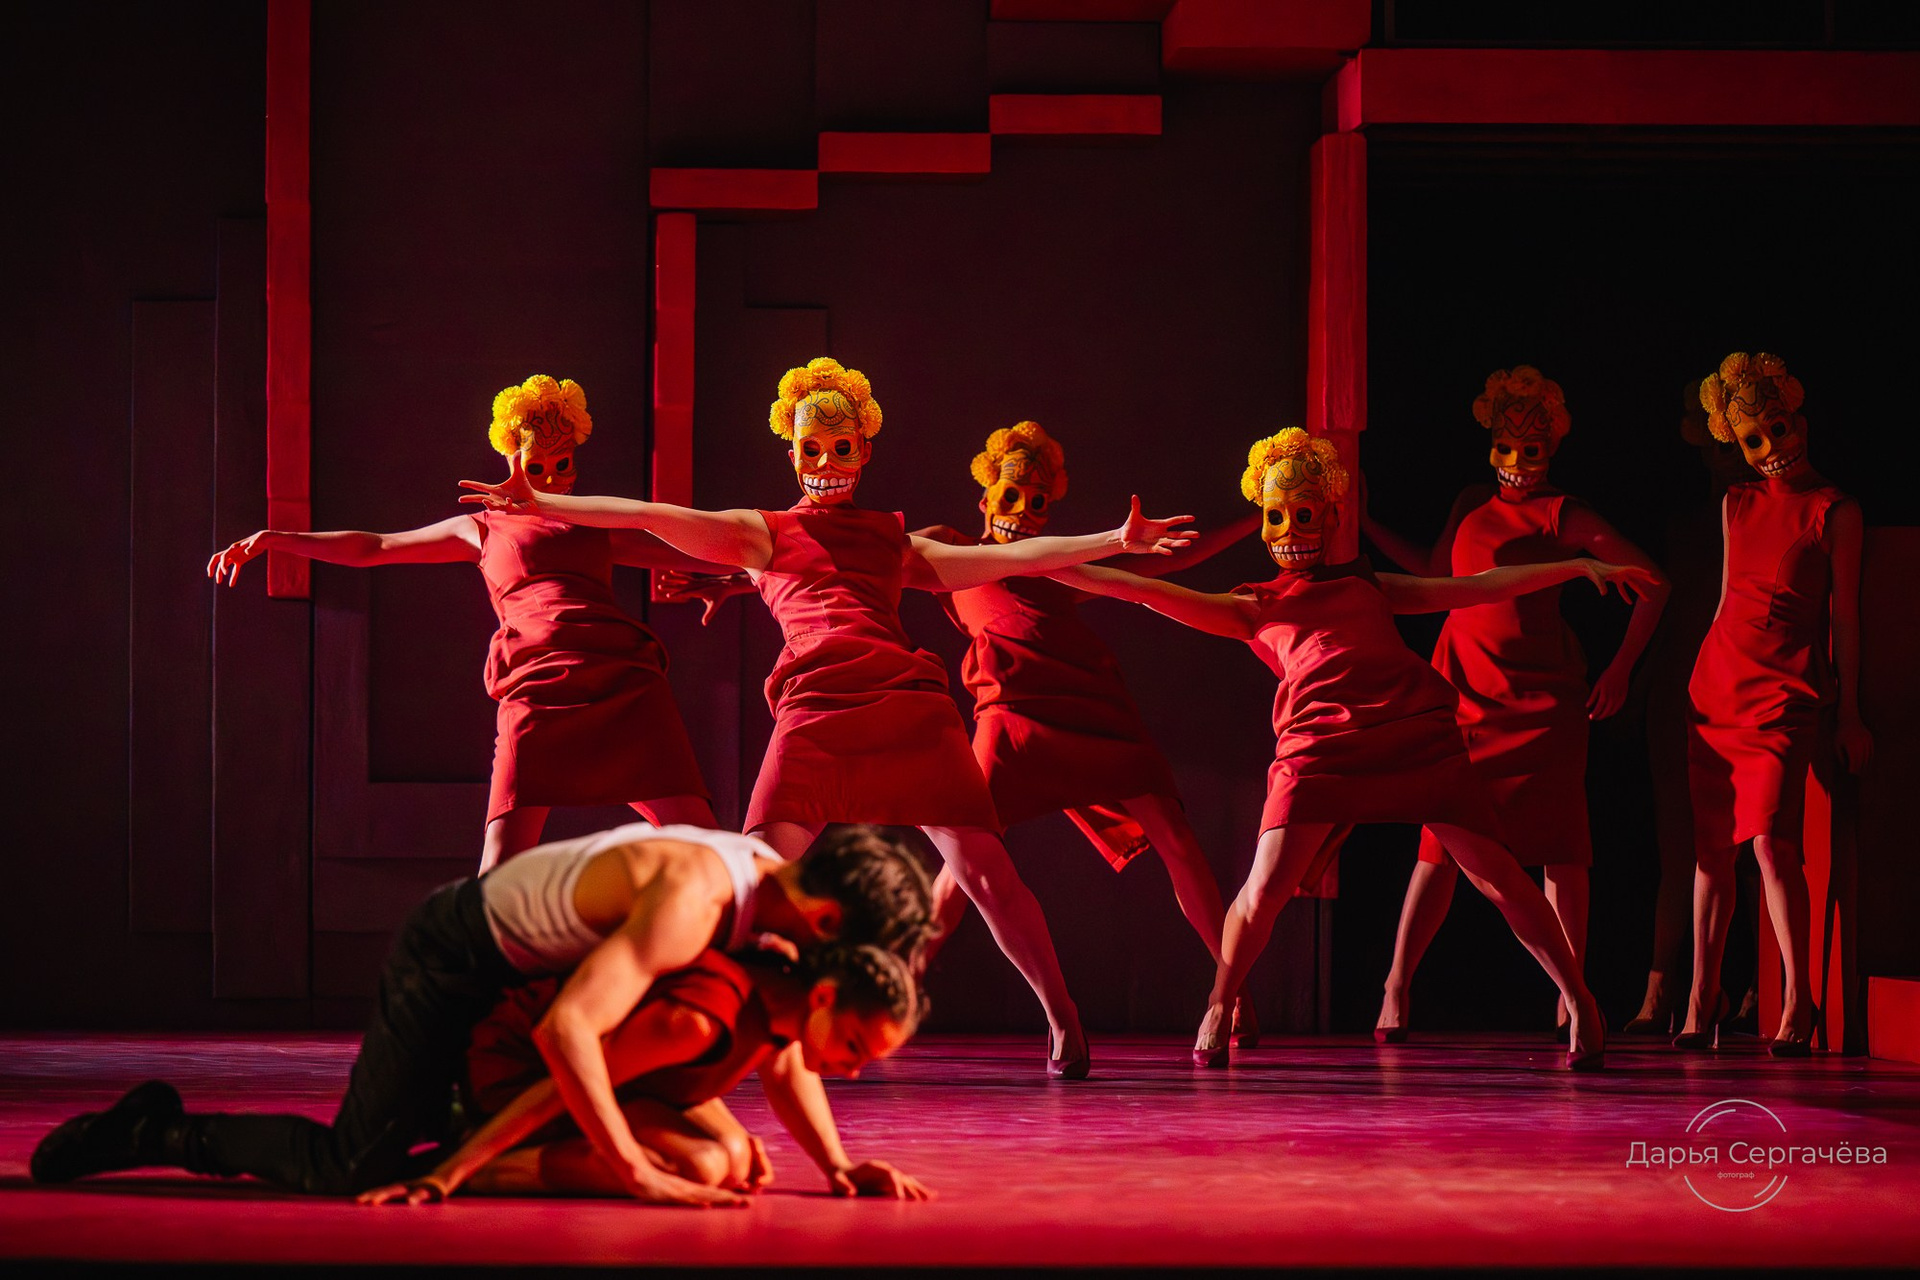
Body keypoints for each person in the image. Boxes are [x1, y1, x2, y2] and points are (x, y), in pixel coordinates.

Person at [457, 357, 1197, 1080]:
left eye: (842, 448)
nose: (827, 463)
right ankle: (707, 1025)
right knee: (751, 880)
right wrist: (543, 504)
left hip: (906, 709)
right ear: (791, 451)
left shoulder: (891, 540)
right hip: (815, 712)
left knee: (985, 872)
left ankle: (1064, 1020)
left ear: (865, 450)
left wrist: (1114, 539)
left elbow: (1018, 559)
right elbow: (654, 517)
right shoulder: (762, 533)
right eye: (812, 448)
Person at [1052, 428, 1659, 1070]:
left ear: (1331, 515)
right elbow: (1138, 589)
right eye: (1277, 515)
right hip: (1320, 751)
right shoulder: (1253, 605)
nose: (1291, 530)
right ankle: (1220, 1000)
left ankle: (1579, 999)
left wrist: (1577, 565)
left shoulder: (1370, 585)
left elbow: (1481, 585)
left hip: (1414, 739)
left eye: (1305, 513)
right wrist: (1025, 559)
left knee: (1499, 876)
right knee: (1264, 888)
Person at [30, 823, 933, 1200]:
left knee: (720, 1155)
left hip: (519, 985)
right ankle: (158, 1132)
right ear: (826, 923)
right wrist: (634, 1172)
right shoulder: (698, 899)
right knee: (351, 1167)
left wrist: (838, 1166)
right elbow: (568, 1032)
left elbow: (780, 1045)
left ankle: (468, 1143)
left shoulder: (766, 899)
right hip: (458, 958)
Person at [207, 375, 726, 870]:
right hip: (539, 684)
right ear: (511, 458)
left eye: (562, 464)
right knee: (501, 862)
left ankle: (749, 925)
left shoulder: (594, 522)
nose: (550, 479)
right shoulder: (482, 528)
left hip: (621, 682)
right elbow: (377, 546)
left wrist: (740, 579)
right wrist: (279, 539)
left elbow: (698, 551)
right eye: (535, 466)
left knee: (707, 846)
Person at [1363, 368, 1668, 1040]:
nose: (1517, 462)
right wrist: (1364, 524)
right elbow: (1434, 576)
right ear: (1490, 443)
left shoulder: (1565, 513)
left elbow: (1653, 582)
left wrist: (1621, 669)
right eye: (1506, 446)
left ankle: (1571, 996)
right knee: (1439, 843)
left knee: (1562, 845)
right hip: (1465, 690)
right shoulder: (1473, 501)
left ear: (1552, 448)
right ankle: (1396, 986)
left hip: (1541, 701)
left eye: (1532, 449)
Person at [359, 944, 931, 1204]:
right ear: (823, 997)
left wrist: (838, 1168)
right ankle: (481, 1161)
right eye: (853, 1046)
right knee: (702, 1165)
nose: (853, 1072)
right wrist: (450, 1174)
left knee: (735, 1158)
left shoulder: (786, 1003)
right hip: (521, 1066)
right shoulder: (699, 1019)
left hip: (623, 1075)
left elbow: (779, 1069)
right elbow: (570, 1073)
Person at [1674, 353, 1872, 1057]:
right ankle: (1701, 998)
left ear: (1801, 423)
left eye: (1777, 429)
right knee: (1710, 853)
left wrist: (1849, 710)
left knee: (1771, 844)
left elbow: (1844, 618)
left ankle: (1797, 1000)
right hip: (1716, 690)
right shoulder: (1736, 503)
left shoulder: (1835, 510)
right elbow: (1729, 598)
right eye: (1752, 439)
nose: (1769, 448)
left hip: (1785, 692)